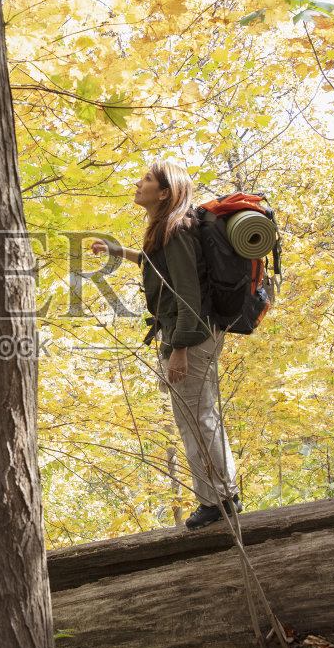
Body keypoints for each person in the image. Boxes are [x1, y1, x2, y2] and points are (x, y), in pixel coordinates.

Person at [92, 160, 240, 529]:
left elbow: (186, 292)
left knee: (196, 419)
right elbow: (160, 267)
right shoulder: (169, 230)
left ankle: (217, 502)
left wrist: (180, 349)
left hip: (191, 336)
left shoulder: (175, 230)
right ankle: (224, 495)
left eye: (146, 179)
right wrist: (120, 252)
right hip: (191, 333)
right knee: (201, 416)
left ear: (163, 192)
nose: (137, 183)